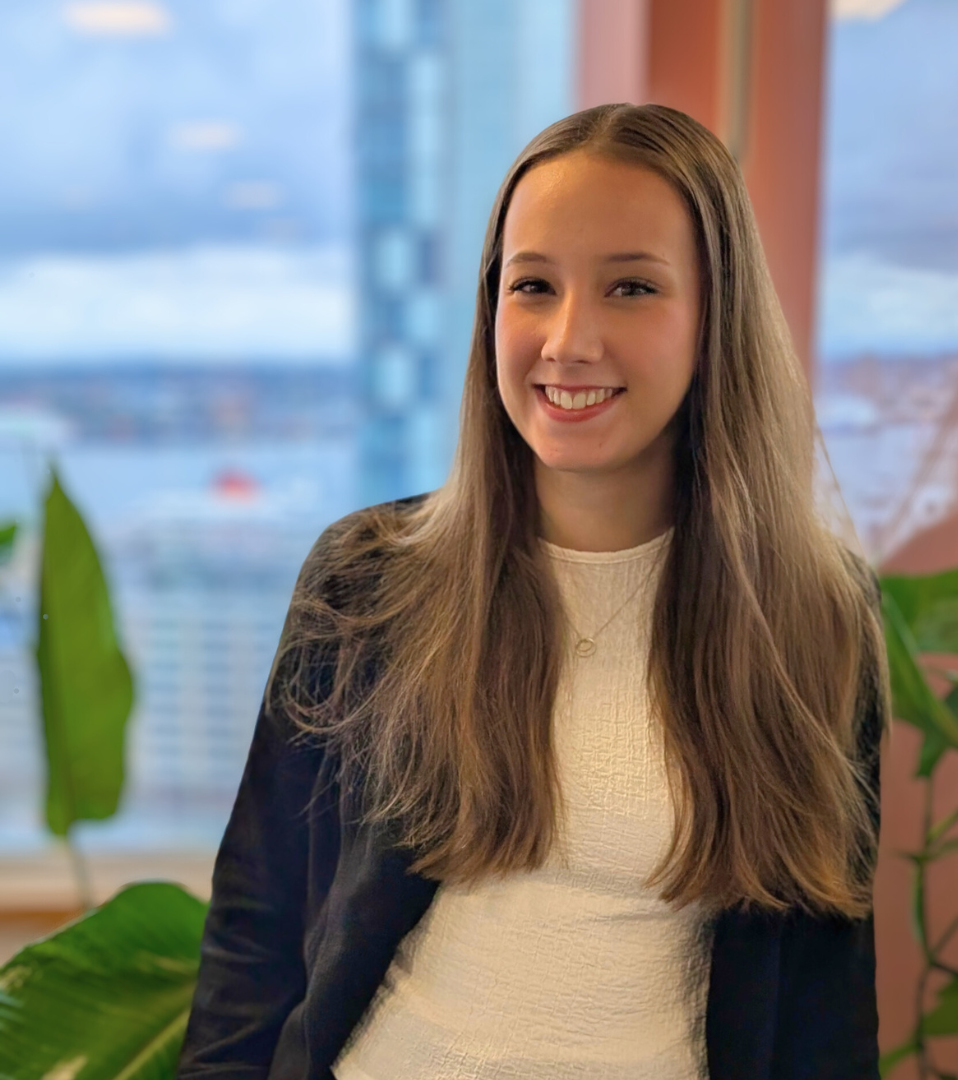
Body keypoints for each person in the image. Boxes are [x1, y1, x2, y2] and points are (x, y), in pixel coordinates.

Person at [177, 102, 889, 1080]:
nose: (568, 338)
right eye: (533, 286)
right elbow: (256, 931)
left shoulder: (811, 616)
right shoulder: (368, 580)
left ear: (715, 316)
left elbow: (825, 998)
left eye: (632, 287)